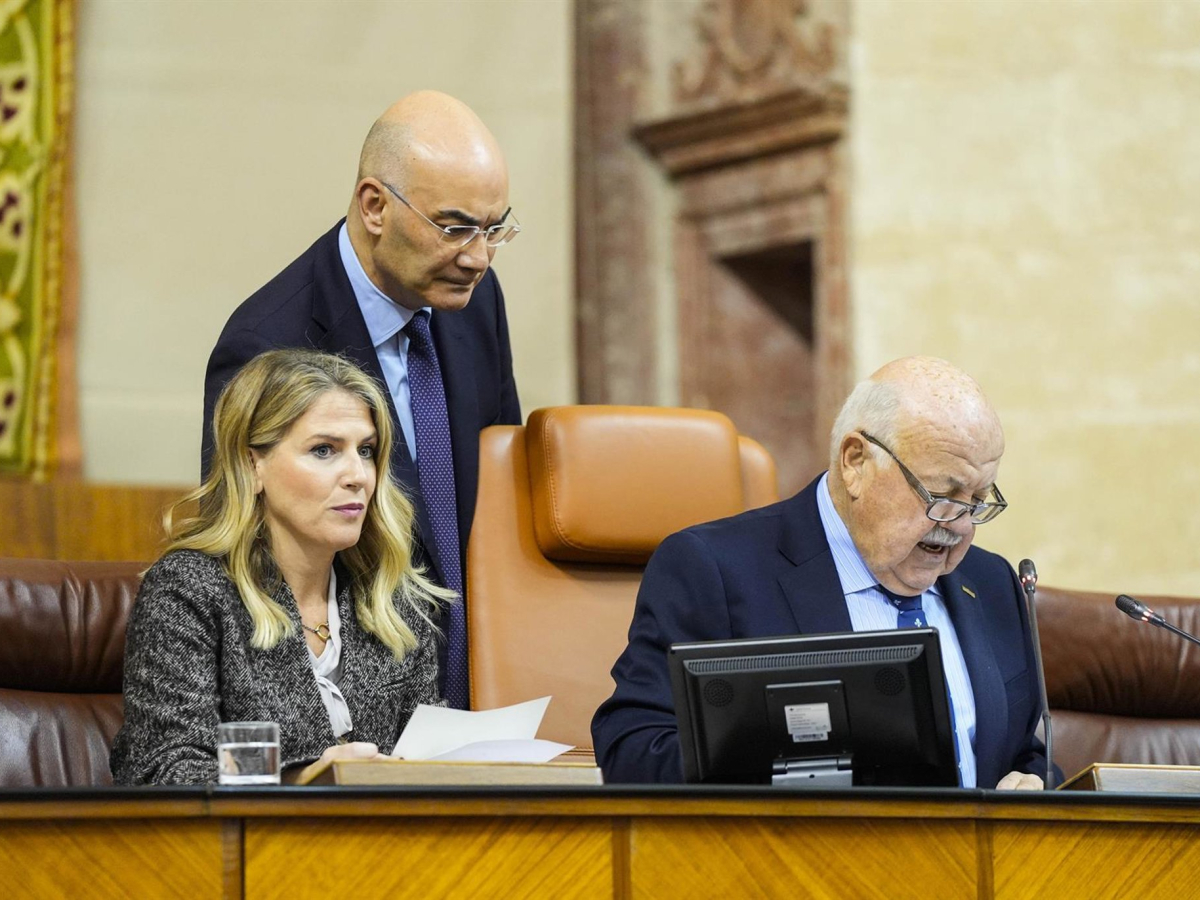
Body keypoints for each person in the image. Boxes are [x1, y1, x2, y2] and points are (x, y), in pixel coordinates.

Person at [592, 356, 1055, 790]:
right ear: (855, 462)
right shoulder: (714, 571)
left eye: (978, 500)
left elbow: (1020, 752)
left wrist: (1032, 781)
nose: (960, 525)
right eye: (942, 496)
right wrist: (793, 770)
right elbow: (633, 748)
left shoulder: (993, 583)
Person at [203, 91, 521, 708]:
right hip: (356, 704)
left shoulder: (475, 301)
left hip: (483, 692)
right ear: (375, 205)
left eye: (494, 229)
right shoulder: (268, 341)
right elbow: (249, 566)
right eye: (455, 228)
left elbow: (501, 496)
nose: (477, 257)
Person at [112, 349, 453, 785]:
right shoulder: (190, 591)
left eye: (366, 450)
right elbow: (165, 770)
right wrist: (303, 781)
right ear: (252, 465)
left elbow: (424, 758)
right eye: (324, 450)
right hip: (247, 832)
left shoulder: (392, 598)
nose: (358, 476)